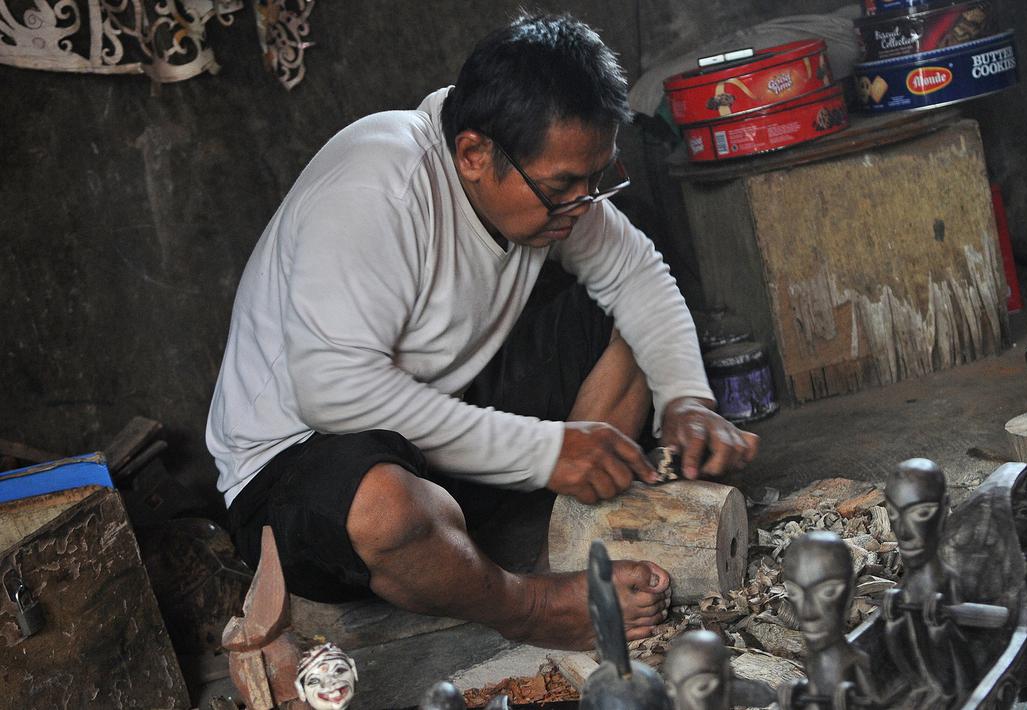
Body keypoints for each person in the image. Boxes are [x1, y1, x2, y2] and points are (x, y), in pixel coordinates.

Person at [206, 12, 759, 650]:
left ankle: (577, 524)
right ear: (473, 154)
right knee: (384, 505)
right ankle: (530, 605)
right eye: (562, 188)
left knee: (633, 309)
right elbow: (334, 395)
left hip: (442, 424)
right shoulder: (377, 186)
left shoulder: (548, 181)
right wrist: (545, 450)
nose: (583, 206)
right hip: (299, 466)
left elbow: (637, 275)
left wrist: (687, 398)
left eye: (596, 178)